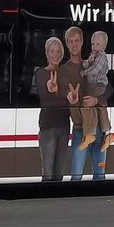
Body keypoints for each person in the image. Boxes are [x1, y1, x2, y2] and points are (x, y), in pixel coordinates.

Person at [61, 26, 107, 181]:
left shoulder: (93, 62)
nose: (74, 44)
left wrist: (97, 100)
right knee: (76, 176)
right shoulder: (63, 70)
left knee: (100, 176)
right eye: (70, 41)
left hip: (99, 128)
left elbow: (110, 89)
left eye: (77, 40)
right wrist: (70, 97)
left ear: (82, 42)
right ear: (66, 44)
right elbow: (62, 92)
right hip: (80, 128)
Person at [33, 36, 71, 181]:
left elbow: (70, 96)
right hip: (47, 126)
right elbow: (46, 98)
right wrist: (56, 91)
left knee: (58, 172)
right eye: (52, 51)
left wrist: (69, 96)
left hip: (64, 125)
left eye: (58, 51)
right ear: (47, 53)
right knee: (48, 171)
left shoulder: (65, 73)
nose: (55, 54)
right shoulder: (41, 73)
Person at [78, 30, 114, 151]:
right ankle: (108, 134)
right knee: (101, 108)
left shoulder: (102, 57)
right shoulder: (95, 57)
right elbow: (85, 64)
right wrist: (89, 61)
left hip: (98, 85)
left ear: (104, 46)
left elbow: (94, 70)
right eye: (93, 44)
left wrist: (84, 72)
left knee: (87, 104)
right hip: (96, 85)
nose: (94, 46)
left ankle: (90, 134)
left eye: (97, 44)